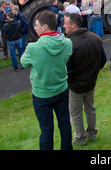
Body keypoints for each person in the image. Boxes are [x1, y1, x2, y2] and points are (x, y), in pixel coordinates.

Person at [20, 11, 73, 150]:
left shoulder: (34, 47)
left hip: (42, 94)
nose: (35, 28)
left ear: (44, 27)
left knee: (46, 129)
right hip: (61, 89)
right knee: (65, 123)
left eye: (36, 25)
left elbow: (23, 62)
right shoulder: (67, 43)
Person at [63, 12, 107, 146]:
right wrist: (93, 73)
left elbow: (66, 69)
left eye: (65, 23)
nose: (63, 26)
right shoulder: (95, 38)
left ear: (74, 25)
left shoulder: (69, 44)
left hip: (76, 86)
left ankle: (80, 138)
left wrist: (72, 78)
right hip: (91, 82)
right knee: (90, 109)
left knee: (75, 113)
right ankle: (92, 134)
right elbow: (103, 61)